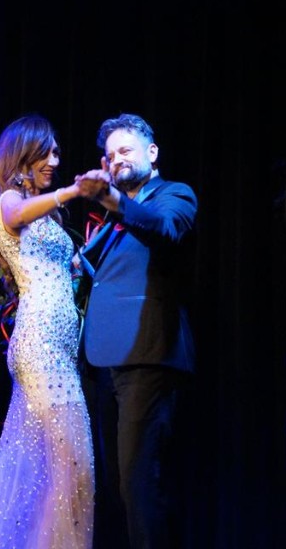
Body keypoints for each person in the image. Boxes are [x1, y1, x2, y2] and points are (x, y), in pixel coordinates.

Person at [75, 113, 197, 549]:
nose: (117, 160)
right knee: (119, 488)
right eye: (110, 156)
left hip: (147, 354)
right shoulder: (110, 219)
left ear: (153, 152)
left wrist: (111, 198)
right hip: (106, 360)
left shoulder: (174, 195)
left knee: (139, 484)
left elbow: (164, 228)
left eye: (125, 150)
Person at [0, 114, 95, 548]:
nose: (55, 161)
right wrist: (73, 191)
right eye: (48, 152)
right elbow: (18, 213)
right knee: (74, 468)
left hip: (58, 350)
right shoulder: (9, 200)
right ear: (24, 153)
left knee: (44, 473)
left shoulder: (47, 215)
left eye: (57, 153)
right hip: (39, 347)